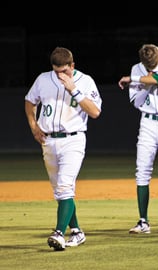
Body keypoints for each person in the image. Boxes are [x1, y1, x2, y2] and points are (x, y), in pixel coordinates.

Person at [24, 47, 102, 251]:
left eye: (65, 71)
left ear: (72, 66)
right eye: (57, 71)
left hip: (73, 140)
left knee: (65, 186)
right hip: (48, 141)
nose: (60, 75)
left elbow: (95, 112)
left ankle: (58, 233)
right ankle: (76, 231)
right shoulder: (43, 79)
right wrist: (33, 126)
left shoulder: (85, 81)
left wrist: (73, 89)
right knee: (60, 191)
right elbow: (30, 101)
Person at [118, 44, 158, 234]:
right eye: (150, 65)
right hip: (147, 122)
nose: (153, 67)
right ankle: (143, 221)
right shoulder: (137, 69)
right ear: (144, 63)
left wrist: (136, 80)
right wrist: (146, 83)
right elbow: (137, 101)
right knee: (142, 171)